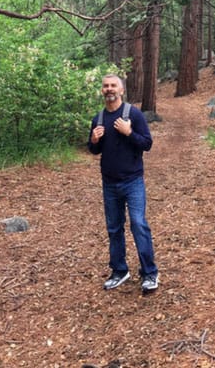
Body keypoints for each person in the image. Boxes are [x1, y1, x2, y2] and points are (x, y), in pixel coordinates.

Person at [87, 74, 159, 293]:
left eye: (113, 86)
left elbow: (147, 144)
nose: (109, 89)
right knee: (114, 228)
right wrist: (94, 140)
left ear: (121, 90)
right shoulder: (98, 118)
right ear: (102, 90)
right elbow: (94, 150)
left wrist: (129, 133)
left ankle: (149, 274)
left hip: (133, 181)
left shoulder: (133, 115)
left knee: (138, 224)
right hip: (109, 183)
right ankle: (119, 271)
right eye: (106, 86)